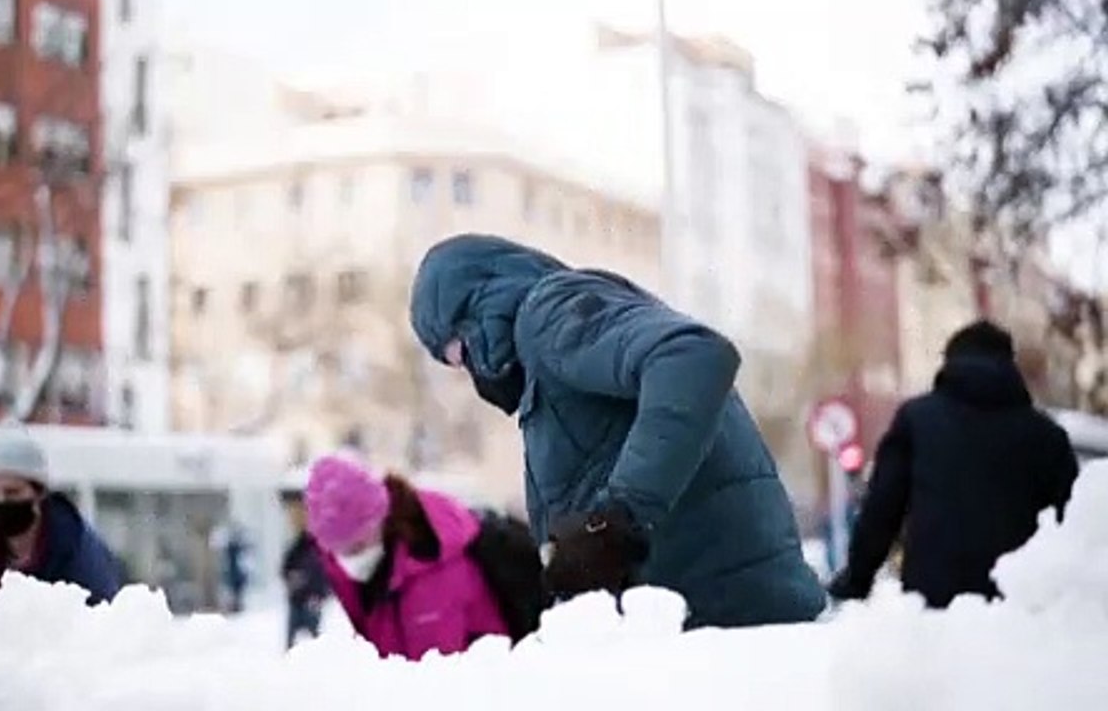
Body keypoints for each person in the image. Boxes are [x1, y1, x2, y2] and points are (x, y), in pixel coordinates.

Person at [409, 234, 825, 629]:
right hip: (701, 614)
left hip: (722, 614)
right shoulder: (545, 365)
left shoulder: (549, 313)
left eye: (457, 354)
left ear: (472, 317)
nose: (468, 372)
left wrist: (619, 516)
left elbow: (692, 356)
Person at [830, 320, 1080, 608]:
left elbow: (882, 507)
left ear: (949, 363)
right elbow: (1070, 523)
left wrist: (856, 580)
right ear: (1011, 365)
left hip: (933, 603)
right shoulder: (1047, 436)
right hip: (1018, 608)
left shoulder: (916, 421)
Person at [305, 454, 509, 660]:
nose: (350, 557)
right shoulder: (369, 573)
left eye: (357, 544)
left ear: (380, 520)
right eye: (340, 548)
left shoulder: (435, 565)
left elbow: (435, 675)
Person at [0, 429, 122, 639]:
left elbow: (102, 621)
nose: (0, 501)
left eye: (12, 492)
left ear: (39, 493)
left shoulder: (77, 546)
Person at [280, 495, 330, 648]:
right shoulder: (298, 544)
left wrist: (318, 593)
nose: (293, 519)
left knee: (314, 644)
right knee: (292, 646)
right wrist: (291, 577)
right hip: (296, 600)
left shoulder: (318, 543)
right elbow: (285, 568)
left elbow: (323, 572)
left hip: (311, 600)